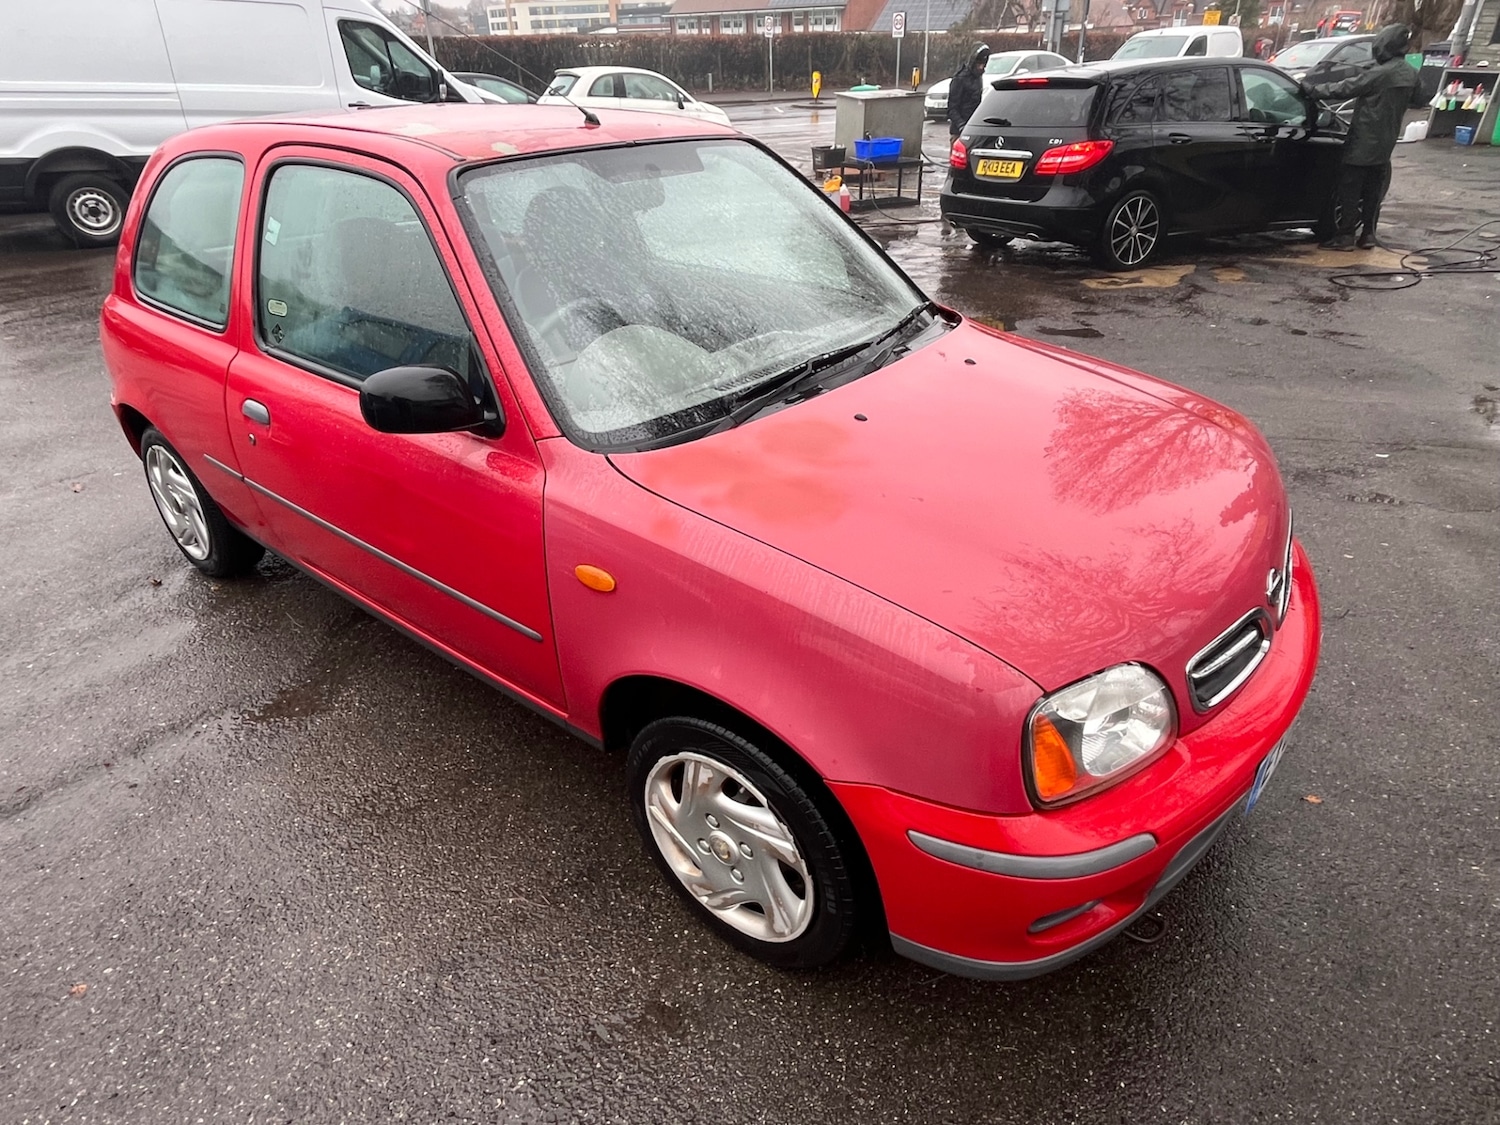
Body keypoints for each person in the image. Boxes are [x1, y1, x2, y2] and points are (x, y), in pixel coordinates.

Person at [1304, 24, 1418, 250]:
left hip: (1362, 142)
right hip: (1386, 144)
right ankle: (1368, 235)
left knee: (1350, 190)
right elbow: (1421, 97)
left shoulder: (1379, 73)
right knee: (1373, 193)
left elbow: (1346, 88)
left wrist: (1313, 90)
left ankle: (1345, 236)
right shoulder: (1410, 73)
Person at [947, 44, 991, 137]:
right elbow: (952, 107)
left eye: (983, 65)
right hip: (959, 130)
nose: (981, 68)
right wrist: (961, 124)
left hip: (974, 127)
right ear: (973, 63)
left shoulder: (978, 78)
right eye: (979, 65)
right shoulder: (960, 78)